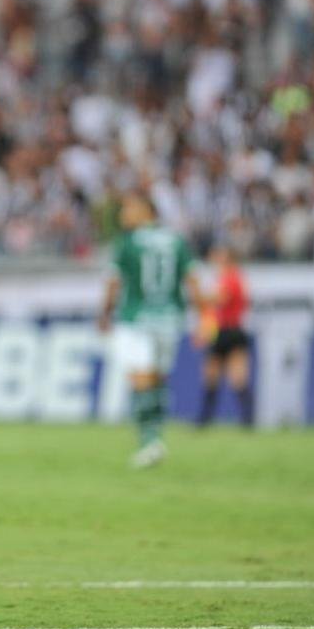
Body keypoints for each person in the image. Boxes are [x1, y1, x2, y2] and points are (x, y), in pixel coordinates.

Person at [99, 192, 201, 469]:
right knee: (157, 379)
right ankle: (155, 437)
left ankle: (149, 439)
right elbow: (192, 280)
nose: (123, 215)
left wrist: (104, 314)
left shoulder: (128, 243)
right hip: (170, 318)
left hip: (137, 318)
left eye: (129, 208)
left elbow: (114, 282)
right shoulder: (176, 241)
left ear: (146, 211)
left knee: (141, 378)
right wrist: (203, 316)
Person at [197, 245, 253, 427]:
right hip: (222, 331)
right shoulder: (226, 278)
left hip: (230, 331)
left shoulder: (231, 278)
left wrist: (198, 296)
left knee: (237, 377)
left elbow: (220, 299)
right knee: (211, 376)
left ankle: (247, 419)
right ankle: (205, 418)